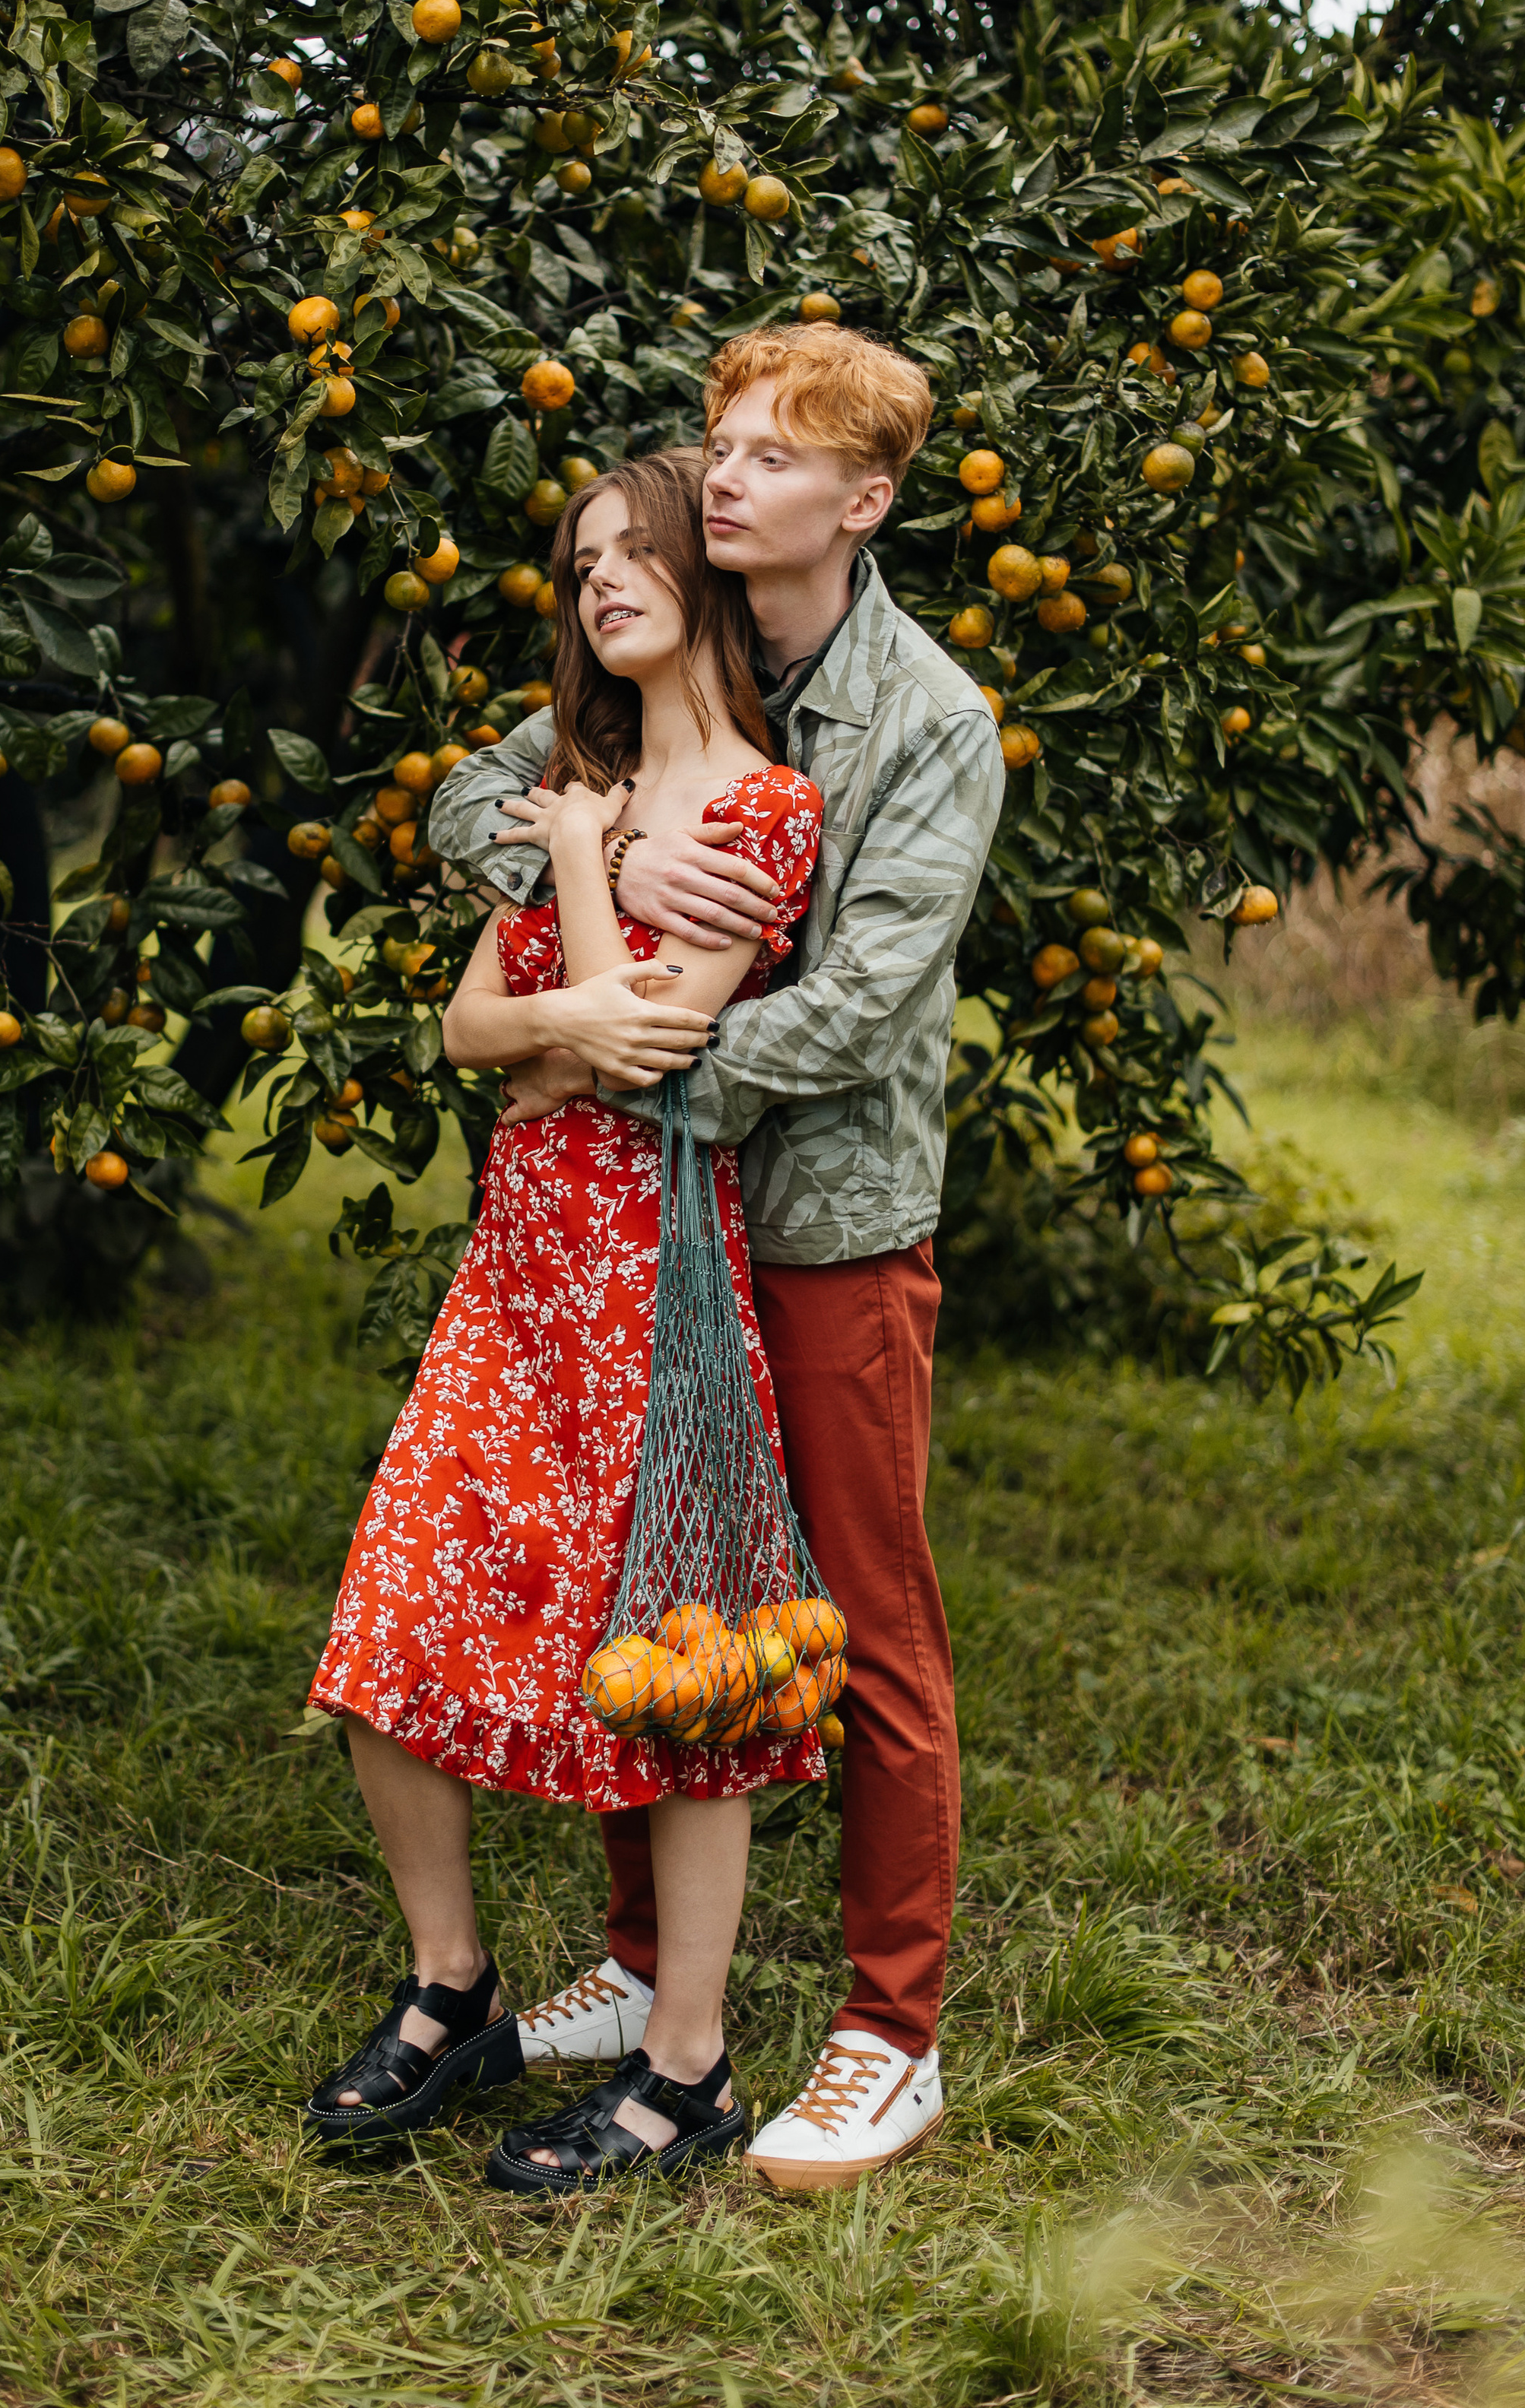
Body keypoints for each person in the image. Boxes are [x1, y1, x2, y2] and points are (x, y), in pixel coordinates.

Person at [427, 320, 1004, 2192]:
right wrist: (598, 868)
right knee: (638, 1582)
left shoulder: (928, 719)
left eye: (769, 451)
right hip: (634, 1234)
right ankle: (641, 1967)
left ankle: (882, 2030)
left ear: (868, 496)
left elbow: (848, 1017)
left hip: (814, 1226)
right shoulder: (674, 635)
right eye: (720, 442)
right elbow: (469, 805)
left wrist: (618, 1054)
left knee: (857, 1617)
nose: (728, 472)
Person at [304, 448, 827, 2197]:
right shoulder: (569, 778)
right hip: (515, 1266)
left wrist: (585, 891)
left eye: (630, 553)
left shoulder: (760, 810)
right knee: (393, 1612)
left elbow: (649, 1046)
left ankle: (686, 2069)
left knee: (681, 1678)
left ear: (701, 572)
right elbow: (474, 1031)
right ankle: (449, 1986)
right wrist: (568, 980)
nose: (598, 580)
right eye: (578, 558)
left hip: (652, 1284)